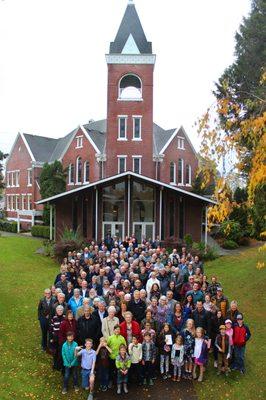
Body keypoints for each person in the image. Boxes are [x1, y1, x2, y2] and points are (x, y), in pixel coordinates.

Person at [49, 305, 65, 370]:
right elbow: (50, 329)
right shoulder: (54, 318)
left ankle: (60, 366)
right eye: (58, 310)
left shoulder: (65, 318)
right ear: (56, 311)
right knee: (55, 352)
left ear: (63, 311)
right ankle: (55, 365)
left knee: (61, 353)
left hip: (63, 339)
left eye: (61, 310)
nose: (60, 311)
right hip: (55, 338)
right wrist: (51, 338)